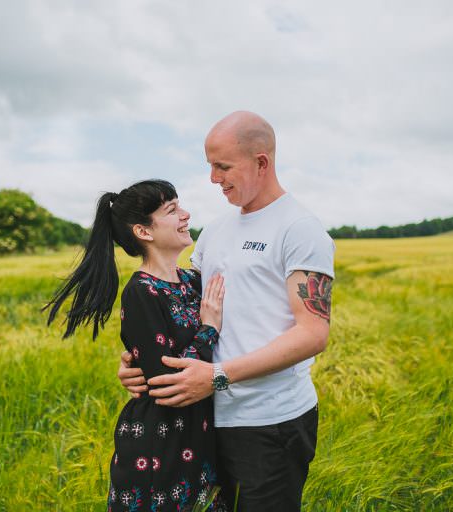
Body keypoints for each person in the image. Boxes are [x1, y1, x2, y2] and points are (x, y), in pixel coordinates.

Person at [118, 112, 335, 511]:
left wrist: (216, 377)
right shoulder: (216, 231)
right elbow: (179, 307)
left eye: (223, 166)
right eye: (209, 167)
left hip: (271, 424)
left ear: (261, 162)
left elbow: (313, 333)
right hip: (206, 422)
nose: (213, 179)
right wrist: (139, 360)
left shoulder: (299, 229)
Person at [45, 180, 228, 511]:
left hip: (200, 442)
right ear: (144, 232)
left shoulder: (191, 281)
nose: (186, 214)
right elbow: (167, 379)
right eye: (172, 210)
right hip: (160, 447)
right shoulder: (141, 291)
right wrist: (209, 328)